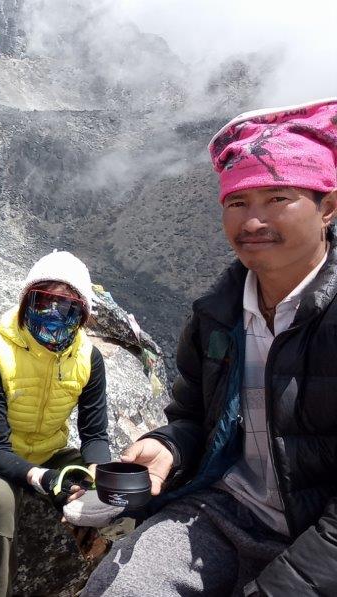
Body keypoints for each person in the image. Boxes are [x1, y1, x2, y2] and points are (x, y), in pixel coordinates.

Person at [83, 98, 337, 596]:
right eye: (237, 202)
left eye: (277, 198)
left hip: (318, 534)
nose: (253, 222)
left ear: (327, 206)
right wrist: (167, 446)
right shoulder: (217, 315)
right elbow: (195, 414)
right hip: (225, 508)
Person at [0, 250, 113, 596]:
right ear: (27, 301)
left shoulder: (88, 358)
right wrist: (42, 479)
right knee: (0, 501)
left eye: (68, 307)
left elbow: (94, 433)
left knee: (111, 494)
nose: (54, 316)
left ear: (83, 313)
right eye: (44, 303)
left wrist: (96, 476)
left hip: (50, 452)